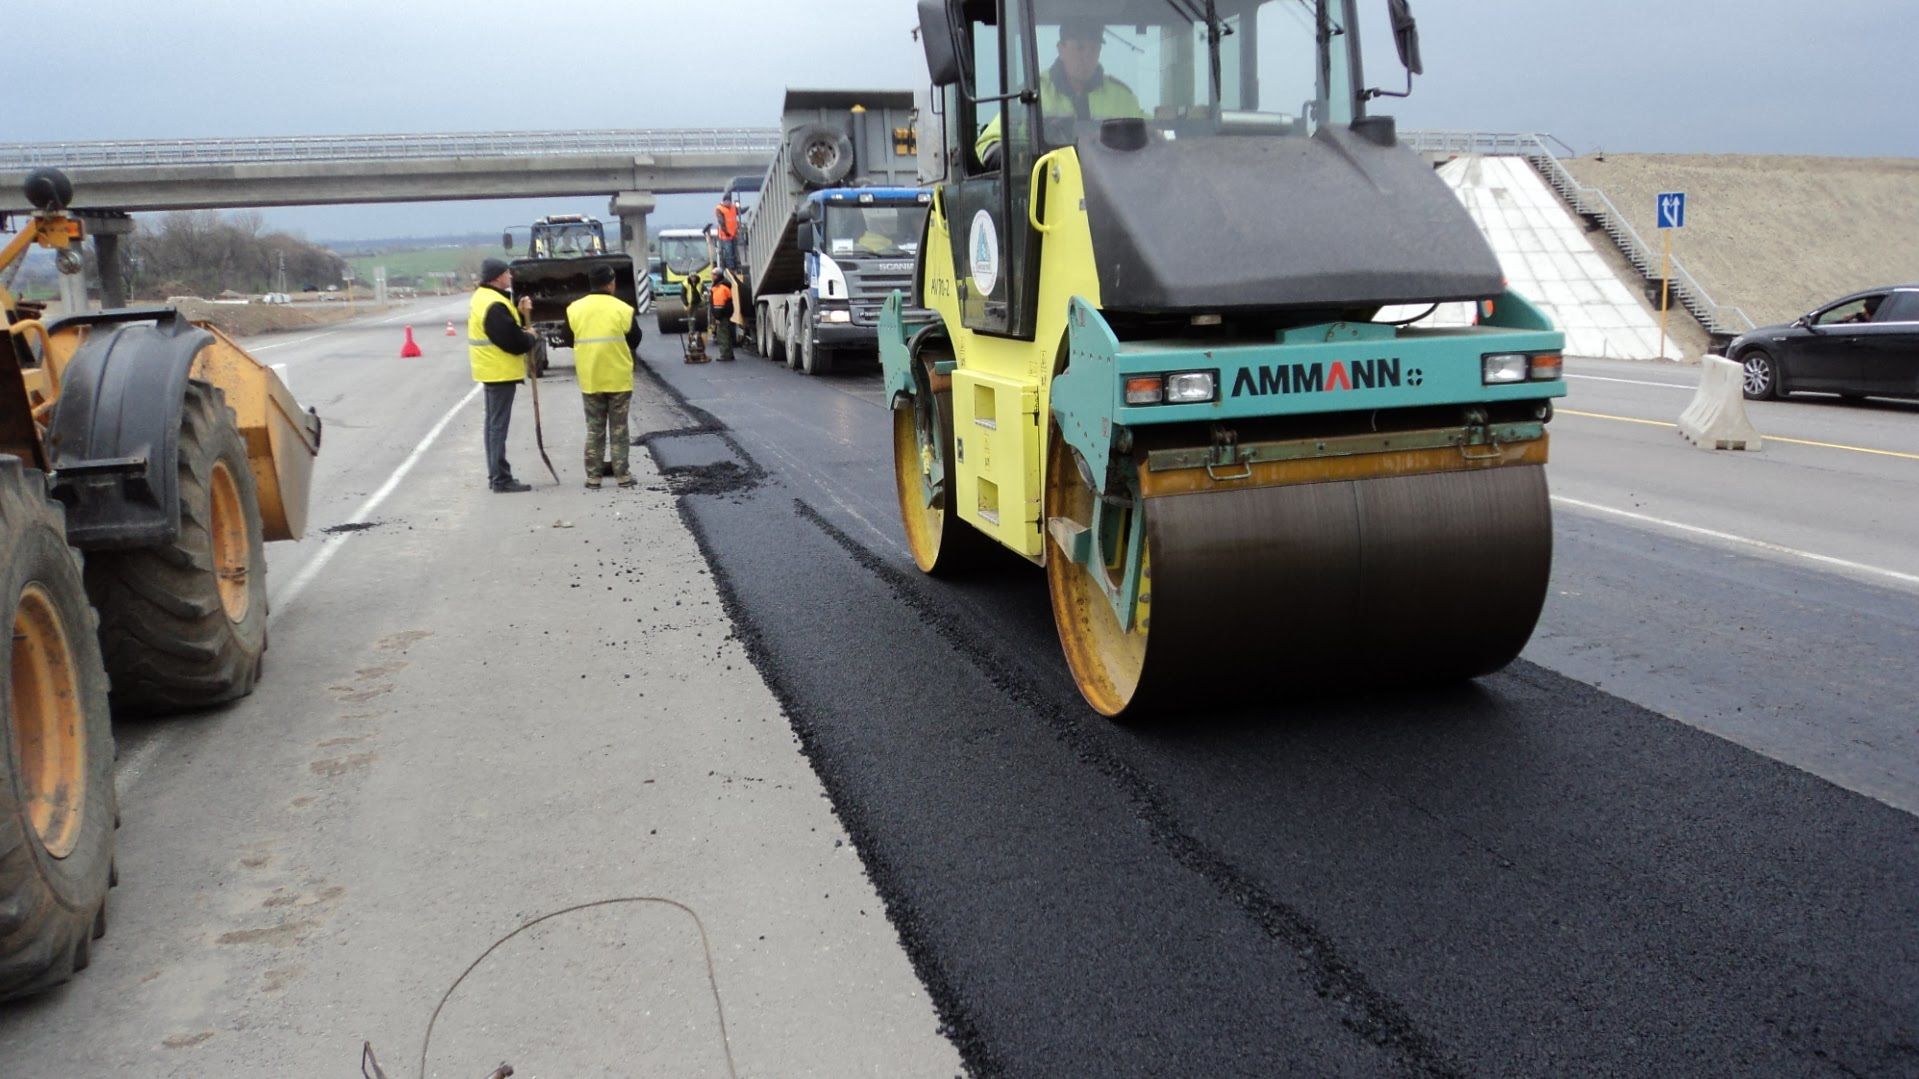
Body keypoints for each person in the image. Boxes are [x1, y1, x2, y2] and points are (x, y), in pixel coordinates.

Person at [975, 18, 1144, 165]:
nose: (1087, 56)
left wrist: (1167, 122)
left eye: (1094, 49)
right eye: (1080, 47)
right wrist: (1022, 161)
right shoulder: (1031, 94)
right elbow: (988, 144)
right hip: (1048, 194)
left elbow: (1154, 137)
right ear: (1061, 48)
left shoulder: (1122, 99)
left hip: (1114, 194)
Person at [566, 263, 644, 488]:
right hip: (618, 379)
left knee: (594, 428)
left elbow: (567, 338)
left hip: (591, 378)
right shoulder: (623, 309)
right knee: (619, 428)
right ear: (611, 283)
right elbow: (635, 339)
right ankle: (622, 476)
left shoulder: (574, 309)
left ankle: (593, 477)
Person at [468, 258, 537, 493]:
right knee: (497, 427)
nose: (510, 277)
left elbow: (505, 328)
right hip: (499, 371)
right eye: (507, 273)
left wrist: (519, 313)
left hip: (490, 370)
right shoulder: (493, 304)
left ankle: (497, 475)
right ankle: (500, 479)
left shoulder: (485, 298)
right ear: (497, 277)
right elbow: (512, 341)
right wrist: (530, 337)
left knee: (492, 426)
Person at [709, 270, 738, 362]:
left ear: (717, 276)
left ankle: (725, 354)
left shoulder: (720, 288)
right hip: (725, 314)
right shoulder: (724, 286)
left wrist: (717, 317)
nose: (712, 276)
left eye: (713, 275)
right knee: (727, 334)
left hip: (722, 315)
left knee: (722, 335)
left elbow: (718, 305)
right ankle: (729, 354)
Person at [714, 193, 741, 271]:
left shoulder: (733, 207)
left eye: (730, 201)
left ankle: (736, 266)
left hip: (733, 234)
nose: (729, 203)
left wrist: (744, 208)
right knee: (728, 253)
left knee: (734, 252)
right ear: (724, 201)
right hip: (725, 236)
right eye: (727, 201)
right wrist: (726, 232)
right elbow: (721, 222)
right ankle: (731, 269)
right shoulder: (719, 209)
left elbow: (740, 211)